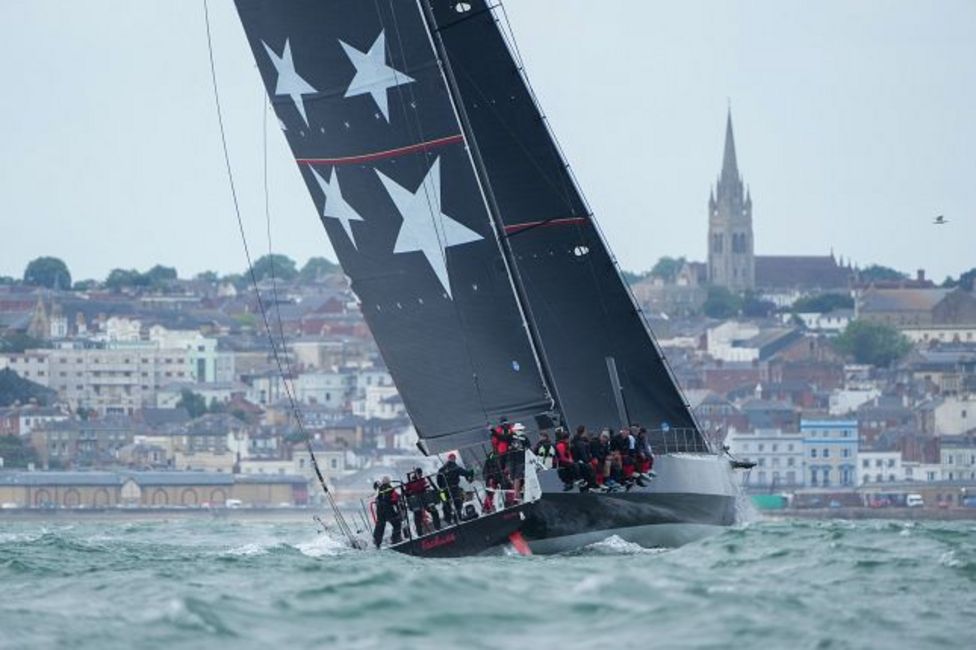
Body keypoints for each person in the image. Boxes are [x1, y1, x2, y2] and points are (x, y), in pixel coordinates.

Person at [437, 453, 474, 524]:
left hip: (444, 490)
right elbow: (465, 473)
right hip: (453, 488)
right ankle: (458, 518)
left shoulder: (441, 469)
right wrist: (471, 472)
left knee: (446, 504)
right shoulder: (455, 467)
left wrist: (442, 487)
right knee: (458, 503)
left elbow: (439, 481)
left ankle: (448, 520)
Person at [404, 467, 440, 537]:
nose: (420, 475)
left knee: (434, 511)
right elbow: (407, 492)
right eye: (419, 473)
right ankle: (419, 534)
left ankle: (438, 528)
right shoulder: (411, 482)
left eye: (420, 474)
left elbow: (425, 486)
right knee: (417, 517)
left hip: (425, 499)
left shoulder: (422, 479)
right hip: (417, 501)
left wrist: (427, 486)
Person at [372, 476, 402, 548]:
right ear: (388, 482)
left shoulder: (379, 489)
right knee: (397, 524)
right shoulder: (390, 488)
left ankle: (377, 542)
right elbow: (395, 499)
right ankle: (395, 540)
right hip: (387, 509)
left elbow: (376, 498)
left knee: (380, 525)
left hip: (379, 510)